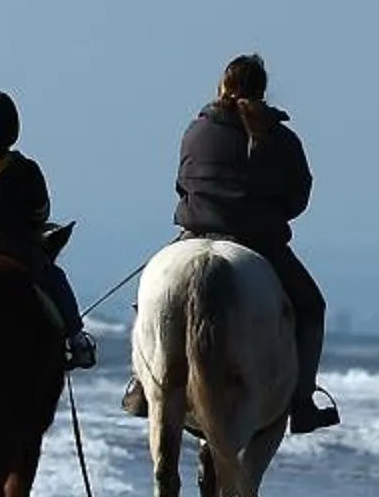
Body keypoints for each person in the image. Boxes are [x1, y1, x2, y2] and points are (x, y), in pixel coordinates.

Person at [128, 52, 338, 432]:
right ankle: (303, 401)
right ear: (263, 90)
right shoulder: (282, 138)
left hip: (197, 231)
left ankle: (143, 384)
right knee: (311, 308)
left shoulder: (197, 130)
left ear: (222, 85)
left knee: (146, 299)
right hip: (260, 242)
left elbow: (182, 183)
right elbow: (298, 198)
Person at [0, 89, 97, 371]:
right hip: (15, 245)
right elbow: (40, 211)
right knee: (54, 277)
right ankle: (77, 340)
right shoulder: (27, 169)